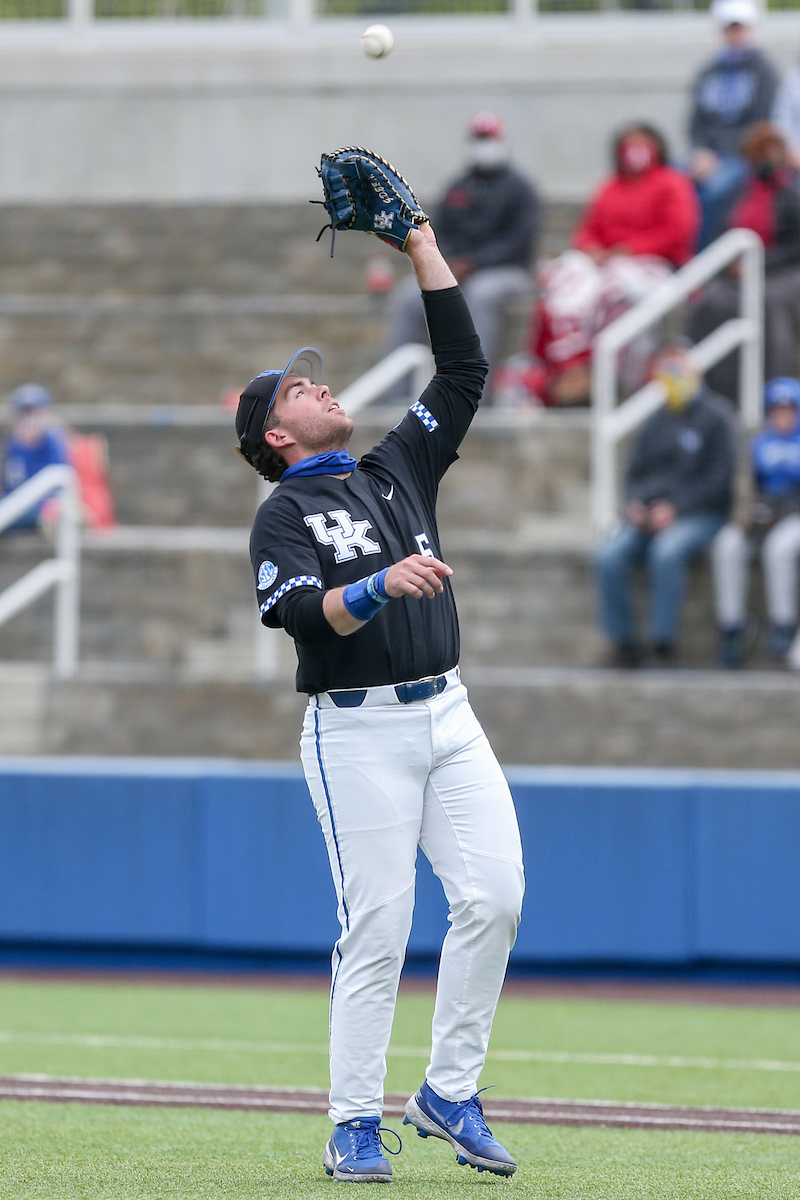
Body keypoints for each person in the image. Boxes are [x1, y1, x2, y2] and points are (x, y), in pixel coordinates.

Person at [236, 218, 524, 1181]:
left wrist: (421, 244)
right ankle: (353, 1121)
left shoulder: (394, 465)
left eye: (315, 374)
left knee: (495, 898)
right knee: (381, 925)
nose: (318, 382)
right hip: (355, 731)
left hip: (449, 714)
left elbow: (463, 371)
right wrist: (377, 586)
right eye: (297, 386)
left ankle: (447, 1093)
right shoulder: (282, 511)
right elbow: (300, 618)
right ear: (277, 435)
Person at [525, 124, 698, 406]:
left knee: (615, 289)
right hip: (606, 262)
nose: (635, 151)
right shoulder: (609, 187)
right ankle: (570, 368)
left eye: (642, 143)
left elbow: (678, 232)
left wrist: (631, 250)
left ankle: (615, 377)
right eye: (629, 144)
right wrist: (592, 249)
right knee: (563, 280)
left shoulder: (672, 182)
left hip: (654, 266)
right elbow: (586, 231)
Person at [594, 342, 736, 668]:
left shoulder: (718, 418)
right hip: (649, 516)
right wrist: (635, 505)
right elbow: (636, 472)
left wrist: (677, 510)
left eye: (678, 367)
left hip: (701, 515)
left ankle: (662, 644)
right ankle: (624, 644)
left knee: (666, 552)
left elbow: (720, 481)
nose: (672, 376)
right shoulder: (656, 420)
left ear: (693, 369)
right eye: (665, 369)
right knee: (608, 556)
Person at [385, 112, 538, 389]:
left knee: (482, 295)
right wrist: (452, 262)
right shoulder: (457, 187)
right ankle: (396, 392)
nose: (483, 145)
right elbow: (437, 232)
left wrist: (475, 262)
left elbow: (519, 241)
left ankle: (475, 391)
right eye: (478, 139)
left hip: (507, 272)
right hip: (456, 269)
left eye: (489, 139)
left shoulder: (520, 188)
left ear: (502, 141)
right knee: (408, 297)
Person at [687, 122, 800, 401]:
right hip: (737, 273)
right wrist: (733, 266)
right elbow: (718, 236)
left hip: (782, 273)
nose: (766, 160)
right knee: (709, 301)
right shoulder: (735, 195)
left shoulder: (792, 197)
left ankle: (771, 394)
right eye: (760, 153)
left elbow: (795, 247)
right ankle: (713, 393)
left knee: (769, 304)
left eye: (771, 152)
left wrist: (758, 264)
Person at [712, 376, 800, 667]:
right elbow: (743, 487)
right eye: (777, 409)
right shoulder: (757, 443)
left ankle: (783, 623)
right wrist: (747, 514)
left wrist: (786, 511)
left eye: (790, 409)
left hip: (794, 516)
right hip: (762, 513)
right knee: (728, 544)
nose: (783, 415)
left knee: (780, 547)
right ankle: (732, 626)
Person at [688, 0, 779, 250]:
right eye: (730, 27)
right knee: (672, 183)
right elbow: (696, 121)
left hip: (743, 156)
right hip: (708, 154)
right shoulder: (709, 70)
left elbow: (763, 123)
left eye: (739, 27)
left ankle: (702, 261)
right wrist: (701, 151)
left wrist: (721, 155)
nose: (735, 33)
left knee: (715, 191)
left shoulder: (764, 70)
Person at [1, 384, 68, 533]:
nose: (29, 420)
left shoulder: (53, 442)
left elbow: (61, 485)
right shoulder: (12, 444)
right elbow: (9, 485)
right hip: (14, 504)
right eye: (24, 414)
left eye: (34, 413)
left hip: (42, 507)